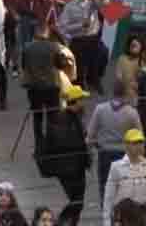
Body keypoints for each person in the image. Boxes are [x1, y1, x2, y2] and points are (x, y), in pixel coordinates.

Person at [88, 80, 143, 208]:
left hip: (105, 153)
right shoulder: (131, 112)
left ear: (113, 92)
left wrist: (92, 148)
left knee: (106, 185)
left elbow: (90, 134)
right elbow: (140, 136)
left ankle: (108, 213)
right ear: (126, 93)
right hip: (125, 154)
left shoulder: (100, 109)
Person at [41, 85, 90, 226]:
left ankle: (71, 222)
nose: (84, 103)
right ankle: (60, 221)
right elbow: (65, 142)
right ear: (76, 101)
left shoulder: (74, 117)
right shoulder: (62, 119)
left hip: (76, 166)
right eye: (82, 99)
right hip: (69, 168)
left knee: (77, 200)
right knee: (77, 201)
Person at [104, 128, 146, 226]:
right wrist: (106, 221)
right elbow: (109, 196)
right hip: (123, 217)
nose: (138, 146)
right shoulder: (116, 167)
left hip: (144, 217)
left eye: (140, 142)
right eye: (134, 143)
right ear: (126, 145)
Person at [59, 0, 108, 93]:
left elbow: (107, 2)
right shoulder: (69, 6)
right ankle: (80, 84)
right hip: (78, 39)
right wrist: (80, 26)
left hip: (93, 38)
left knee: (103, 53)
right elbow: (63, 27)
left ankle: (95, 80)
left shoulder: (93, 2)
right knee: (78, 65)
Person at [21, 20, 61, 150]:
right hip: (51, 87)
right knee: (52, 116)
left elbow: (23, 65)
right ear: (47, 32)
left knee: (37, 117)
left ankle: (39, 144)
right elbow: (60, 65)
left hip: (34, 87)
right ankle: (52, 143)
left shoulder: (27, 47)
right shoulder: (54, 47)